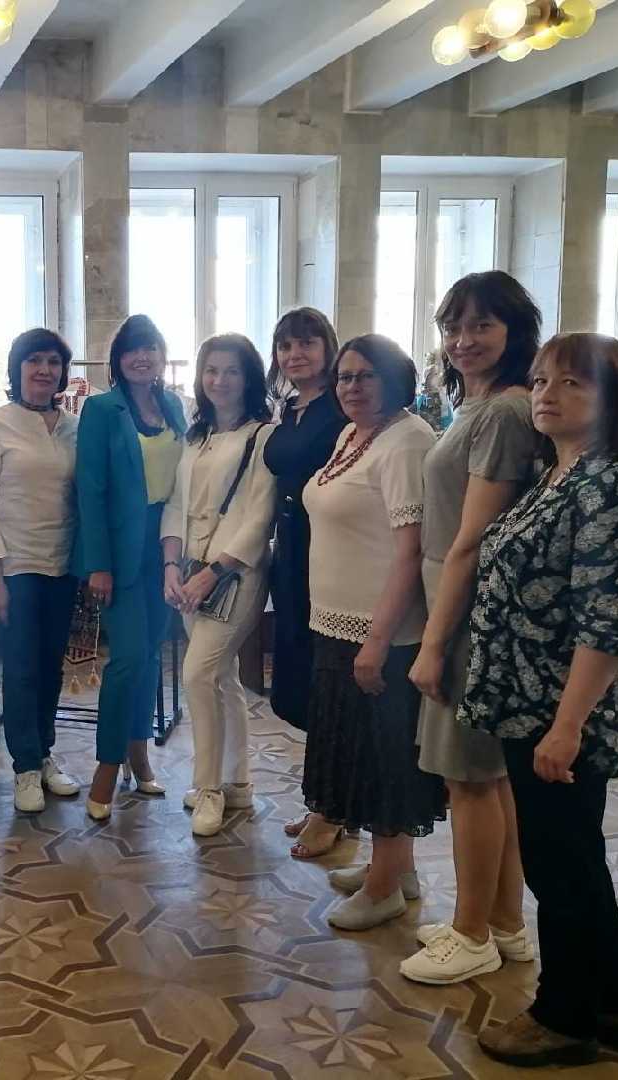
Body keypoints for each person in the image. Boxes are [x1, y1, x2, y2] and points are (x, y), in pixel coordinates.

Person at [462, 334, 618, 1068]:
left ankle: (564, 1015)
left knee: (559, 864)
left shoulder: (614, 484)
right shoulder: (559, 474)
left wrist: (567, 725)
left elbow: (607, 619)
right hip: (527, 700)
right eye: (543, 380)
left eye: (572, 382)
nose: (548, 393)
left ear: (612, 400)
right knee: (574, 857)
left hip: (560, 710)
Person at [379, 272, 542, 985]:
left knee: (469, 779)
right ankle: (504, 924)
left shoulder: (504, 412)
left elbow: (472, 541)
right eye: (453, 326)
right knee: (489, 776)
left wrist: (435, 643)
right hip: (460, 604)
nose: (463, 340)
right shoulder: (477, 405)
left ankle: (472, 933)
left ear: (514, 331)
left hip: (468, 613)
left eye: (481, 325)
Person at [301, 334, 445, 930]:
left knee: (387, 760)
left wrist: (378, 640)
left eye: (365, 376)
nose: (352, 387)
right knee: (360, 752)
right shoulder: (353, 435)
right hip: (337, 622)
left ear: (394, 378)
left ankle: (384, 888)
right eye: (344, 376)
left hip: (380, 631)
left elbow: (411, 553)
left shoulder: (407, 440)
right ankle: (396, 869)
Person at [161, 335, 276, 836]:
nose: (220, 380)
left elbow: (260, 517)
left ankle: (208, 788)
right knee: (223, 678)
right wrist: (171, 565)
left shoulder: (263, 435)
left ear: (249, 378)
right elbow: (175, 504)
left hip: (236, 574)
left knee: (198, 674)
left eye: (231, 371)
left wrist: (214, 572)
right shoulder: (196, 437)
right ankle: (238, 781)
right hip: (190, 570)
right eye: (212, 370)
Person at [73, 315, 187, 821]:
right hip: (120, 551)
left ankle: (139, 753)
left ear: (162, 356)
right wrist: (98, 564)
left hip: (167, 544)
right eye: (132, 350)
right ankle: (106, 765)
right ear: (118, 360)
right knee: (126, 659)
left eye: (151, 348)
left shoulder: (174, 406)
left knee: (149, 656)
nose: (142, 357)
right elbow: (90, 490)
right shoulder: (102, 409)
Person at [0, 328, 83, 812]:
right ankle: (25, 768)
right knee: (18, 670)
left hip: (62, 565)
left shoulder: (74, 426)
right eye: (34, 360)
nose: (44, 370)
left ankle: (44, 752)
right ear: (17, 368)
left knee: (50, 667)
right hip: (14, 567)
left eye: (53, 362)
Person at [261, 308, 349, 856]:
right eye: (285, 346)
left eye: (307, 343)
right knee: (302, 678)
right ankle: (328, 798)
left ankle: (332, 808)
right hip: (291, 551)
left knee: (329, 682)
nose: (295, 355)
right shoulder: (290, 409)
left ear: (327, 347)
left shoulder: (342, 406)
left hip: (330, 549)